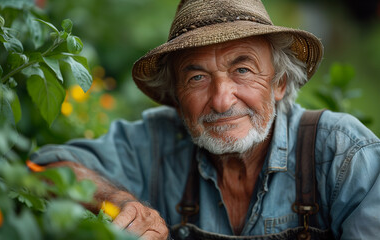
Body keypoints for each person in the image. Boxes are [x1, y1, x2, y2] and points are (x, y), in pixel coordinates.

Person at [30, 0, 380, 239]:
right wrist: (119, 201)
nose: (221, 99)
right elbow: (45, 170)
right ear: (177, 98)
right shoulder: (156, 141)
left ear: (280, 83)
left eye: (242, 69)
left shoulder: (343, 153)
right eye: (197, 78)